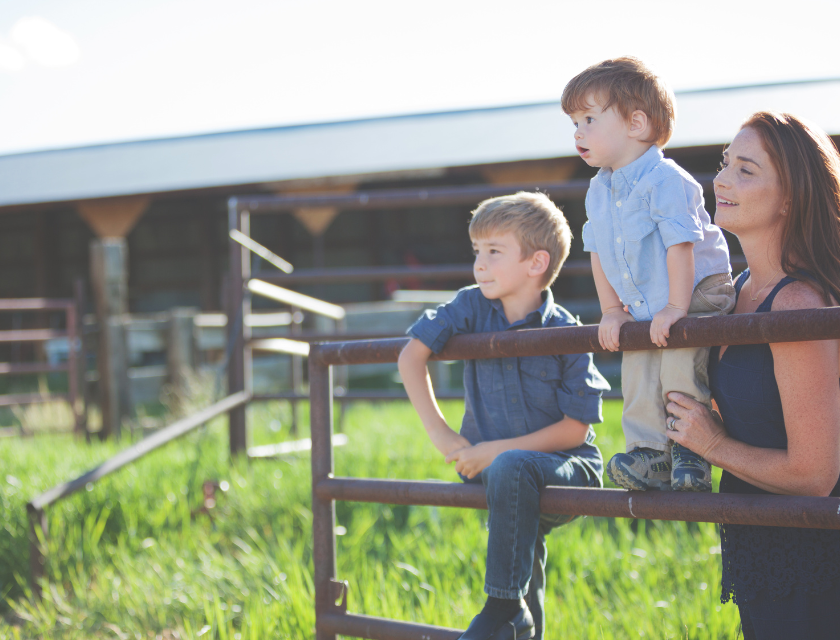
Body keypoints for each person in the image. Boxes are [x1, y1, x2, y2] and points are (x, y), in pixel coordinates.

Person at [398, 192, 608, 640]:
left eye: (494, 252)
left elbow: (577, 427)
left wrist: (494, 451)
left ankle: (500, 607)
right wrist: (444, 437)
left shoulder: (567, 332)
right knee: (520, 543)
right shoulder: (471, 307)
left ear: (536, 263)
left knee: (512, 472)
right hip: (499, 473)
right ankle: (515, 620)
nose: (480, 264)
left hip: (567, 468)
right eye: (477, 252)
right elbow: (410, 357)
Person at [665, 111, 840, 639]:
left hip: (812, 558)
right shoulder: (738, 291)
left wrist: (713, 444)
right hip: (760, 540)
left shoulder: (798, 303)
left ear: (789, 197)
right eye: (725, 164)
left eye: (746, 170)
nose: (721, 180)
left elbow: (816, 476)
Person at [560, 57, 735, 492]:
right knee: (636, 361)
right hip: (649, 300)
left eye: (588, 119)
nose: (577, 132)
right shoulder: (598, 189)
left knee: (677, 358)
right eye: (573, 122)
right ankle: (649, 453)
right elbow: (597, 249)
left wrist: (677, 307)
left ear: (636, 123)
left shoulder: (665, 178)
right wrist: (612, 310)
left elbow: (681, 246)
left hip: (696, 288)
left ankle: (690, 451)